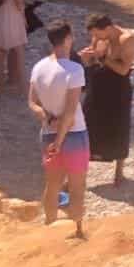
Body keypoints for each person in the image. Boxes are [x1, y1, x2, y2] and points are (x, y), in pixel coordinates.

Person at [28, 20, 87, 235]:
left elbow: (32, 103)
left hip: (47, 133)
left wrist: (46, 116)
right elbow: (70, 112)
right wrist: (59, 141)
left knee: (52, 185)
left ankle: (49, 225)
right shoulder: (75, 69)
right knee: (77, 187)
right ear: (68, 39)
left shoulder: (39, 67)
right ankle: (77, 231)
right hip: (73, 136)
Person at [80, 13, 134, 186]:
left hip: (118, 87)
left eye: (97, 34)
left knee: (119, 126)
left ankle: (119, 172)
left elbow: (124, 70)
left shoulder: (127, 40)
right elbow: (93, 61)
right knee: (89, 123)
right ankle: (80, 170)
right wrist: (87, 59)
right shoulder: (99, 38)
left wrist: (102, 57)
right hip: (98, 84)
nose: (94, 38)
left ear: (108, 28)